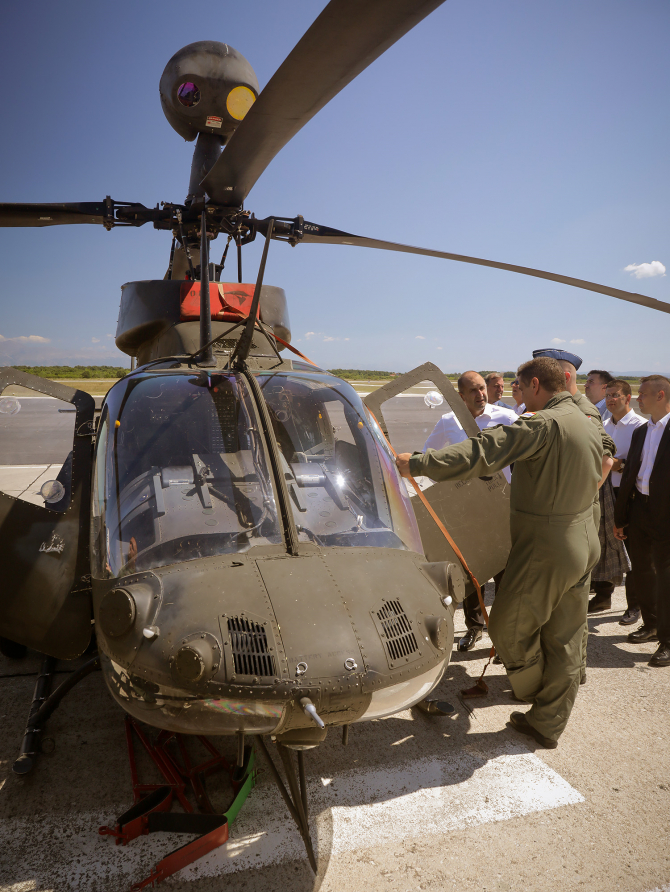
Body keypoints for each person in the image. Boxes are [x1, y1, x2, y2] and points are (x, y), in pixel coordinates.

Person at [396, 357, 609, 749]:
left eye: (522, 390)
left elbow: (482, 453)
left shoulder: (541, 424)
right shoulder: (587, 416)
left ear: (535, 386)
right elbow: (605, 452)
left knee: (506, 627)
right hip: (584, 539)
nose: (519, 399)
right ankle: (547, 722)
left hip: (549, 547)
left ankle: (532, 688)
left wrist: (417, 463)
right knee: (564, 636)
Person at [422, 370, 517, 651]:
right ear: (460, 396)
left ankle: (503, 636)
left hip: (503, 505)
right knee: (473, 571)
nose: (480, 395)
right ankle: (475, 627)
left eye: (482, 389)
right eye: (473, 391)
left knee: (506, 573)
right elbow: (430, 455)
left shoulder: (506, 418)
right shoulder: (448, 422)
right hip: (468, 510)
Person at [614, 375, 670, 668]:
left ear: (660, 395)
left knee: (665, 576)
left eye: (643, 394)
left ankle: (668, 640)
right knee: (642, 573)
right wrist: (621, 517)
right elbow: (631, 476)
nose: (638, 399)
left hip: (666, 515)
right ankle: (651, 625)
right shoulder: (641, 432)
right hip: (640, 512)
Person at [597, 379, 646, 624]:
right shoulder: (603, 425)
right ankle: (603, 596)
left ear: (628, 398)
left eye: (615, 395)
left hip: (629, 496)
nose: (610, 400)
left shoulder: (640, 427)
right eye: (607, 396)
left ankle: (634, 606)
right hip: (605, 492)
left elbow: (644, 465)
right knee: (604, 545)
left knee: (634, 552)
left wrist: (618, 464)